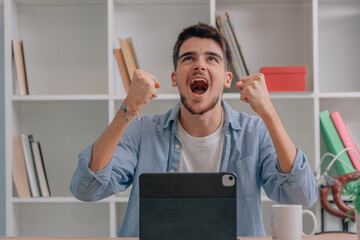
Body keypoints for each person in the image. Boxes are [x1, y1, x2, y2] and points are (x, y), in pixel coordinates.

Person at [70, 23, 317, 237]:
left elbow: (301, 197)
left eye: (212, 58)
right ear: (175, 77)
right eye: (188, 58)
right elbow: (86, 189)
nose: (199, 65)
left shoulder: (255, 133)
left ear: (227, 79)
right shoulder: (142, 131)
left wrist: (268, 112)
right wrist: (129, 107)